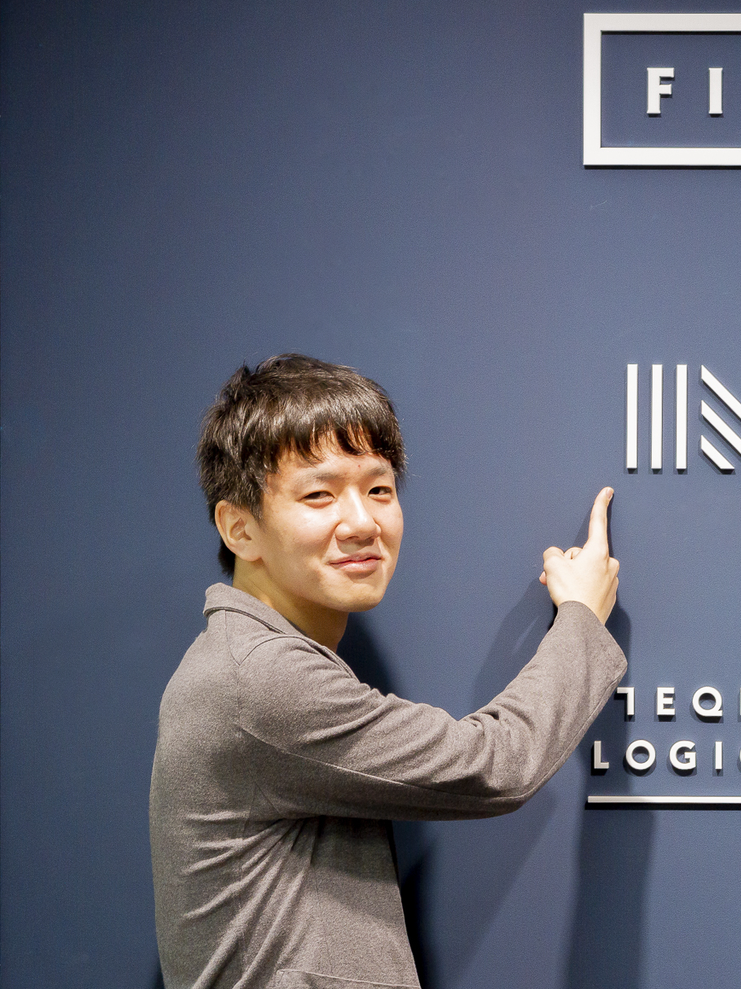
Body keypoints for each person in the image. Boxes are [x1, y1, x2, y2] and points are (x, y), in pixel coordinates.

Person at [150, 354, 626, 989]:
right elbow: (494, 765)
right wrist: (581, 618)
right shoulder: (258, 679)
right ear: (239, 527)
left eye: (379, 490)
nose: (362, 523)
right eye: (319, 495)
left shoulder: (246, 660)